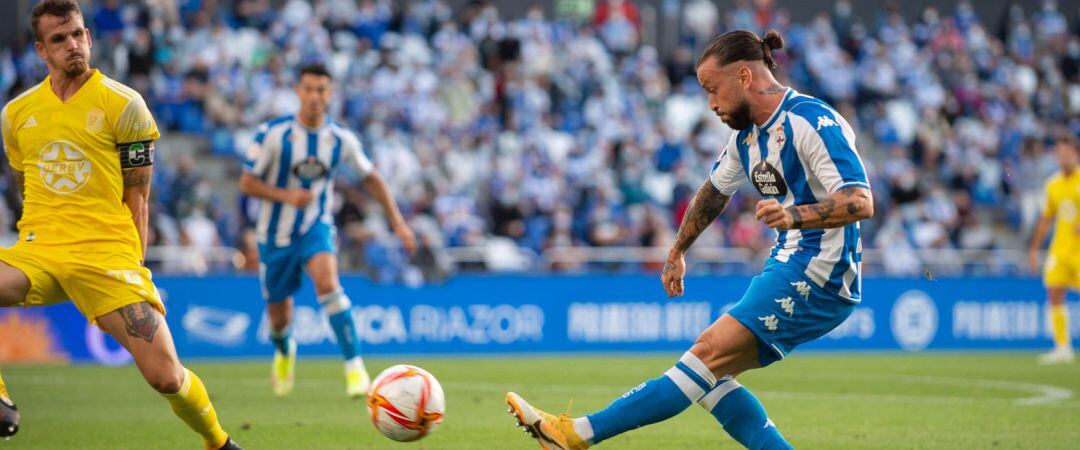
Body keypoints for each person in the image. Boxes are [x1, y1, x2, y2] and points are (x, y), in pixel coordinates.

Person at [506, 29, 874, 450]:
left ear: (744, 77)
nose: (712, 104)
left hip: (820, 271)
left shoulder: (812, 122)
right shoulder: (746, 139)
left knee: (704, 356)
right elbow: (713, 192)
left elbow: (860, 200)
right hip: (789, 263)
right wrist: (678, 249)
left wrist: (793, 215)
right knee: (710, 380)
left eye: (712, 89)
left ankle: (575, 435)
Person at [0, 1, 241, 448]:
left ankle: (219, 442)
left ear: (89, 37)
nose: (72, 45)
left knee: (166, 377)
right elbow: (24, 182)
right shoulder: (16, 115)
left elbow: (139, 198)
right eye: (59, 39)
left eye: (77, 34)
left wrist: (132, 267)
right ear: (41, 50)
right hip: (40, 249)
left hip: (105, 253)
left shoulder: (125, 105)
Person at [240, 63, 416, 398]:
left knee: (328, 283)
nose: (315, 96)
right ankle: (284, 349)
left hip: (316, 227)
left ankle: (355, 369)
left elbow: (371, 177)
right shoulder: (273, 134)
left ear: (330, 94)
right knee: (279, 315)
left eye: (321, 90)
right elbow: (247, 182)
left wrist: (398, 222)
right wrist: (287, 195)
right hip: (274, 235)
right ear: (298, 91)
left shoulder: (340, 139)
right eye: (308, 88)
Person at [1028, 134, 1079, 365]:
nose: (1063, 158)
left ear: (1075, 155)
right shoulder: (1053, 184)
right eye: (1059, 154)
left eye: (1067, 153)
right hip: (1060, 248)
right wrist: (1034, 249)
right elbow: (1046, 218)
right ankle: (1063, 347)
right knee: (1054, 294)